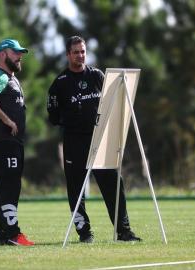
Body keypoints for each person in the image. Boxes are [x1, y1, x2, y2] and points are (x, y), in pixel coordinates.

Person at [47, 36, 141, 243]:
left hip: (100, 139)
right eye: (75, 52)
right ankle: (85, 232)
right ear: (67, 55)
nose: (80, 55)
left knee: (114, 184)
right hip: (74, 142)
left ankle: (123, 231)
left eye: (83, 51)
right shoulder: (60, 83)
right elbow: (53, 116)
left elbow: (113, 104)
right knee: (76, 189)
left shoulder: (98, 76)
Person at [0, 39, 34, 246]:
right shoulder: (0, 77)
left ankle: (5, 234)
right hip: (5, 142)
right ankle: (12, 234)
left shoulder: (12, 78)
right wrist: (7, 120)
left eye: (21, 53)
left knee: (9, 188)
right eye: (15, 53)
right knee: (9, 187)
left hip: (12, 143)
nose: (20, 56)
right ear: (3, 54)